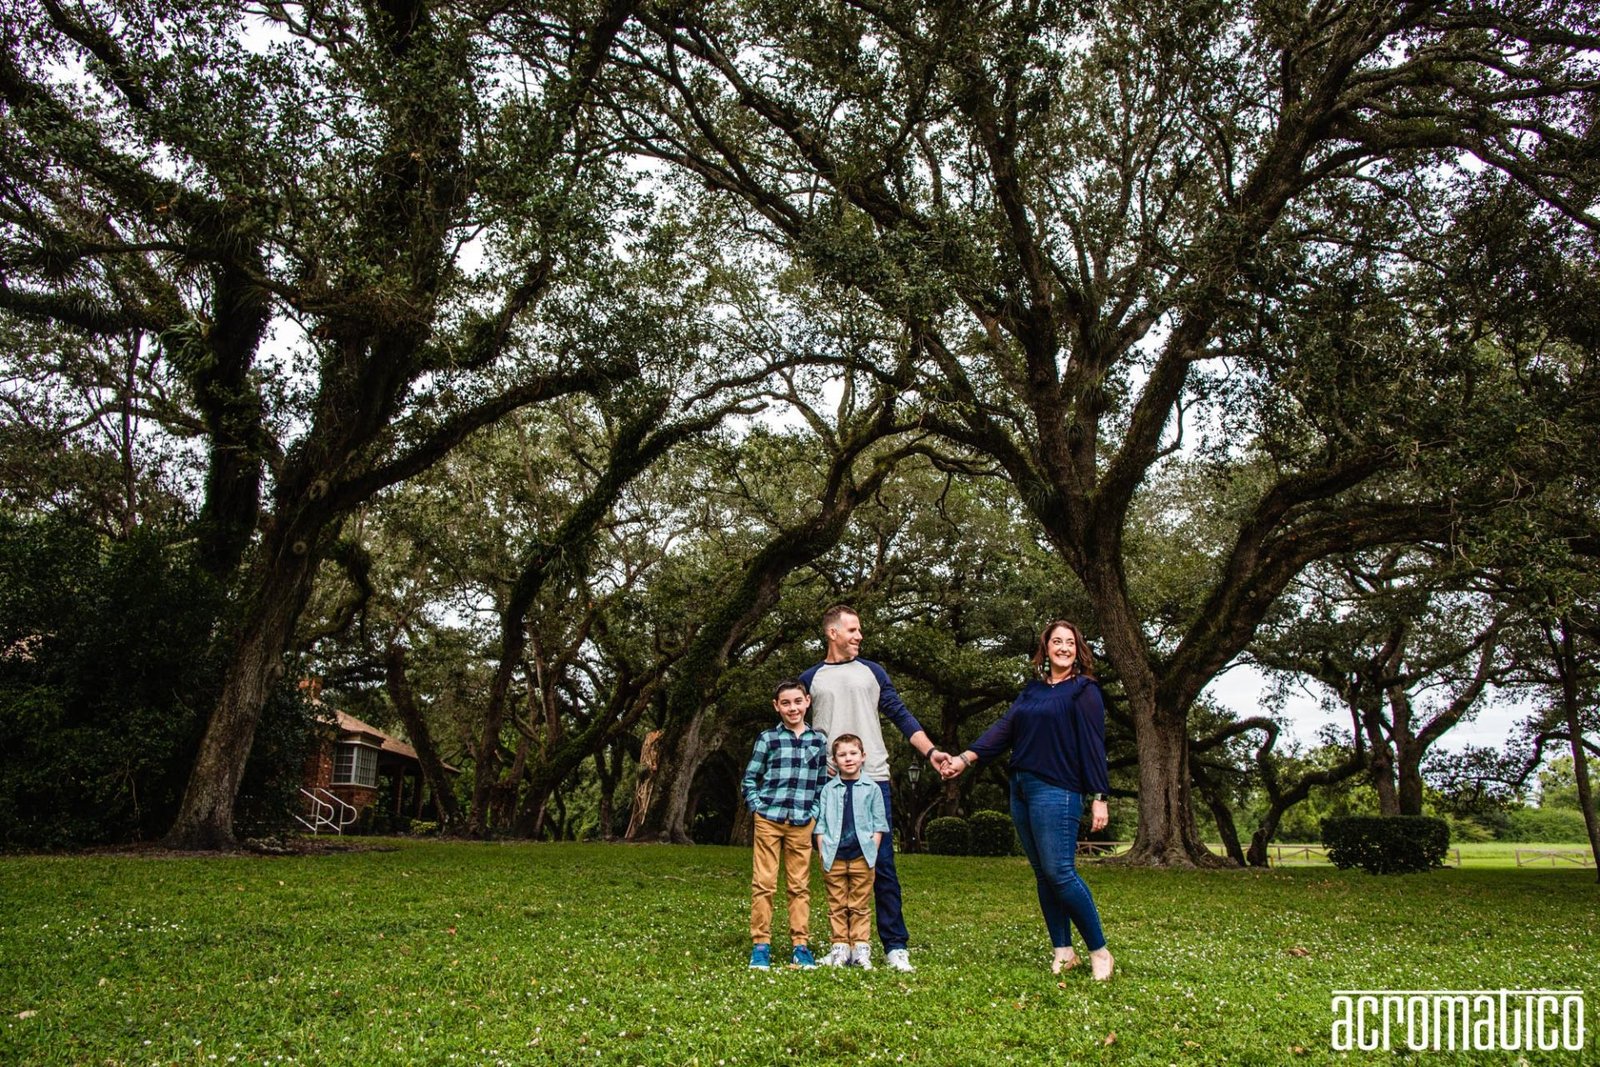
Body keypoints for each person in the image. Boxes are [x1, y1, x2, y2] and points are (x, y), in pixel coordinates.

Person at [942, 619, 1115, 980]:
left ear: (1078, 650)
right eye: (1057, 641)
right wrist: (965, 759)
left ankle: (1099, 951)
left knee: (1060, 872)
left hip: (1059, 789)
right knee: (1043, 874)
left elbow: (1094, 744)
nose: (1064, 648)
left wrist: (1099, 796)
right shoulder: (1032, 691)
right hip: (1021, 787)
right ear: (1046, 648)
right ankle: (1063, 952)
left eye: (1070, 642)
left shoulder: (1084, 690)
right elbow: (1004, 729)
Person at [800, 604, 947, 972]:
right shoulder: (810, 678)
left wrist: (930, 752)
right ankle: (841, 946)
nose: (859, 636)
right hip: (829, 785)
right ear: (832, 633)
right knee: (833, 865)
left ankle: (895, 946)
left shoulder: (873, 672)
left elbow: (901, 714)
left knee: (881, 864)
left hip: (873, 781)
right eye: (853, 630)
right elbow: (796, 728)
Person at [741, 677, 828, 970]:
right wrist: (757, 807)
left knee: (799, 886)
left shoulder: (818, 741)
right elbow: (750, 778)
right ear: (776, 706)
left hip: (802, 821)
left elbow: (821, 782)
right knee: (764, 884)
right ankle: (760, 945)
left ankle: (800, 947)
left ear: (807, 702)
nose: (793, 708)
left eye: (798, 702)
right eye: (786, 703)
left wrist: (814, 812)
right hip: (769, 818)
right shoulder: (768, 739)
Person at [813, 733, 891, 969]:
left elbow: (879, 823)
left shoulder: (872, 789)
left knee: (859, 905)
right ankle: (840, 948)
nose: (848, 759)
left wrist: (872, 849)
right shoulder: (828, 790)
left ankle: (860, 949)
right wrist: (822, 850)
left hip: (862, 856)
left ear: (863, 756)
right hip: (834, 856)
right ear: (834, 760)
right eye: (842, 755)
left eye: (853, 753)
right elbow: (821, 824)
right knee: (837, 905)